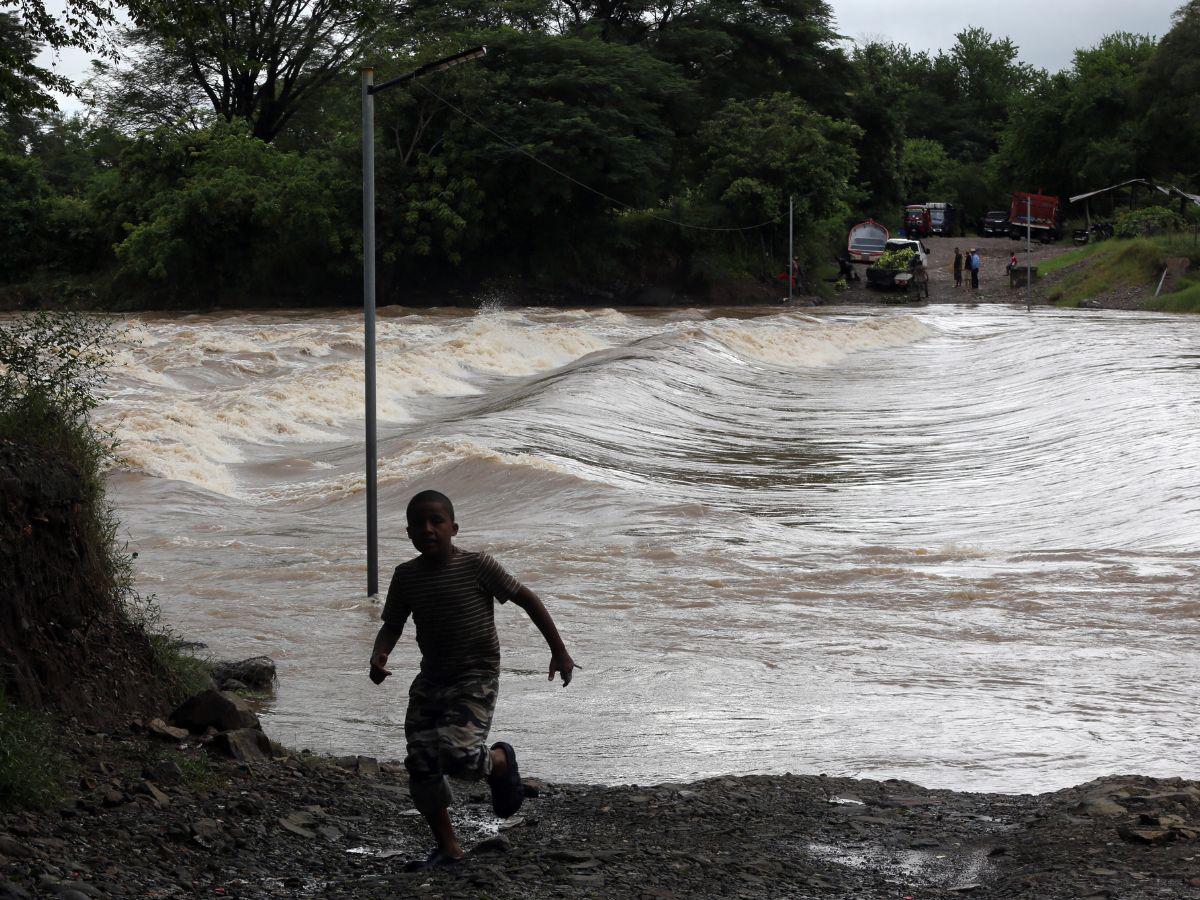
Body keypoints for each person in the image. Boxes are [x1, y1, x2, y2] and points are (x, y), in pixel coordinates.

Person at [369, 489, 576, 871]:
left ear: (454, 528)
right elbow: (393, 624)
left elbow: (527, 598)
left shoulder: (477, 566)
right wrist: (380, 654)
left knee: (460, 754)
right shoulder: (406, 576)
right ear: (409, 533)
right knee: (421, 763)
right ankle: (449, 848)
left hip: (475, 676)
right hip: (431, 678)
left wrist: (558, 651)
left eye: (436, 521)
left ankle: (499, 760)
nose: (428, 529)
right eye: (419, 523)